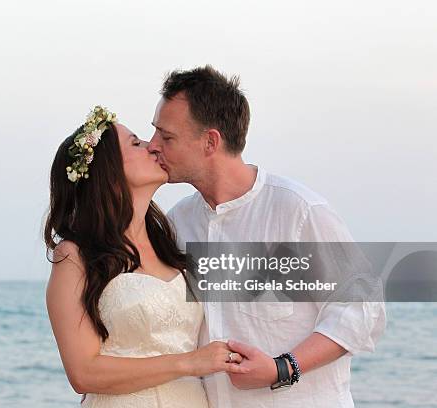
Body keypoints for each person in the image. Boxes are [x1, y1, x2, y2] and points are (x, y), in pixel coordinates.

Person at [147, 65, 386, 408]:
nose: (154, 146)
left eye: (166, 137)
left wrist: (282, 368)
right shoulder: (176, 223)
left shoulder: (300, 211)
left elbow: (363, 309)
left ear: (210, 141)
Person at [44, 106, 247, 407]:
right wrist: (190, 363)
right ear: (108, 170)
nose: (153, 147)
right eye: (136, 143)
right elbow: (83, 373)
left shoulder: (173, 238)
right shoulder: (74, 256)